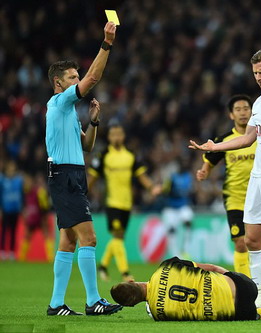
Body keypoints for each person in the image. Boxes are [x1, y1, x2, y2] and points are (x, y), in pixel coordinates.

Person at [190, 48, 261, 317]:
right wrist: (216, 147)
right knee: (252, 239)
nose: (258, 77)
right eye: (255, 73)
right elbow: (248, 137)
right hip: (259, 176)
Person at [45, 21, 122, 316]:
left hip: (72, 173)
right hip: (65, 175)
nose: (78, 80)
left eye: (76, 75)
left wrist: (94, 121)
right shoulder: (59, 102)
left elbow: (87, 146)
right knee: (89, 238)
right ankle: (93, 302)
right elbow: (93, 77)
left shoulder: (68, 112)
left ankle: (56, 305)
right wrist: (106, 43)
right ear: (59, 83)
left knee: (69, 240)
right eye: (72, 77)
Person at [196, 94, 261, 277]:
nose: (243, 113)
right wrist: (205, 170)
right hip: (235, 197)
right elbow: (212, 158)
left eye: (246, 109)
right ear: (231, 115)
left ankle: (259, 282)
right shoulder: (225, 139)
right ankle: (245, 284)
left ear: (253, 112)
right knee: (240, 242)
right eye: (238, 110)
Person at [110, 256, 261, 321]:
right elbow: (212, 268)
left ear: (132, 305)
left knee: (252, 314)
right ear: (133, 281)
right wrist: (233, 277)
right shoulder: (166, 267)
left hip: (239, 312)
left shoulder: (160, 315)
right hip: (244, 286)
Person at [88, 123, 161, 282]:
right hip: (112, 202)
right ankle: (125, 273)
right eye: (113, 134)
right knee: (117, 236)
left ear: (123, 136)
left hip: (127, 203)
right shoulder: (104, 155)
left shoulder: (131, 155)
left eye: (119, 134)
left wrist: (152, 188)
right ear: (109, 137)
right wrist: (83, 192)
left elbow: (142, 176)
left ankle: (103, 266)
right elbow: (93, 177)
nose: (116, 137)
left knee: (118, 238)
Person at [161, 157, 195, 258]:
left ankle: (185, 250)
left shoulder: (188, 177)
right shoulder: (172, 177)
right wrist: (168, 188)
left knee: (188, 222)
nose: (183, 165)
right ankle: (175, 255)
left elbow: (190, 192)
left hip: (182, 207)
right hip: (171, 208)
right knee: (171, 230)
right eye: (182, 163)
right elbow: (165, 192)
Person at [18, 172, 54, 262]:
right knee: (27, 236)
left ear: (32, 182)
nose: (26, 184)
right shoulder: (26, 192)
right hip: (32, 218)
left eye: (28, 182)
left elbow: (45, 206)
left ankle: (50, 257)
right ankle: (21, 257)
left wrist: (45, 216)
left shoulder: (39, 192)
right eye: (25, 182)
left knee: (46, 235)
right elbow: (25, 205)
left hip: (40, 217)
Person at [0, 160, 24, 261]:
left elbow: (22, 195)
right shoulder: (2, 180)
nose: (11, 169)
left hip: (15, 209)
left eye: (13, 167)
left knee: (14, 231)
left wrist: (23, 207)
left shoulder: (19, 180)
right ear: (7, 168)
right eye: (10, 167)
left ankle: (12, 252)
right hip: (5, 209)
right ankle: (2, 252)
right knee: (4, 231)